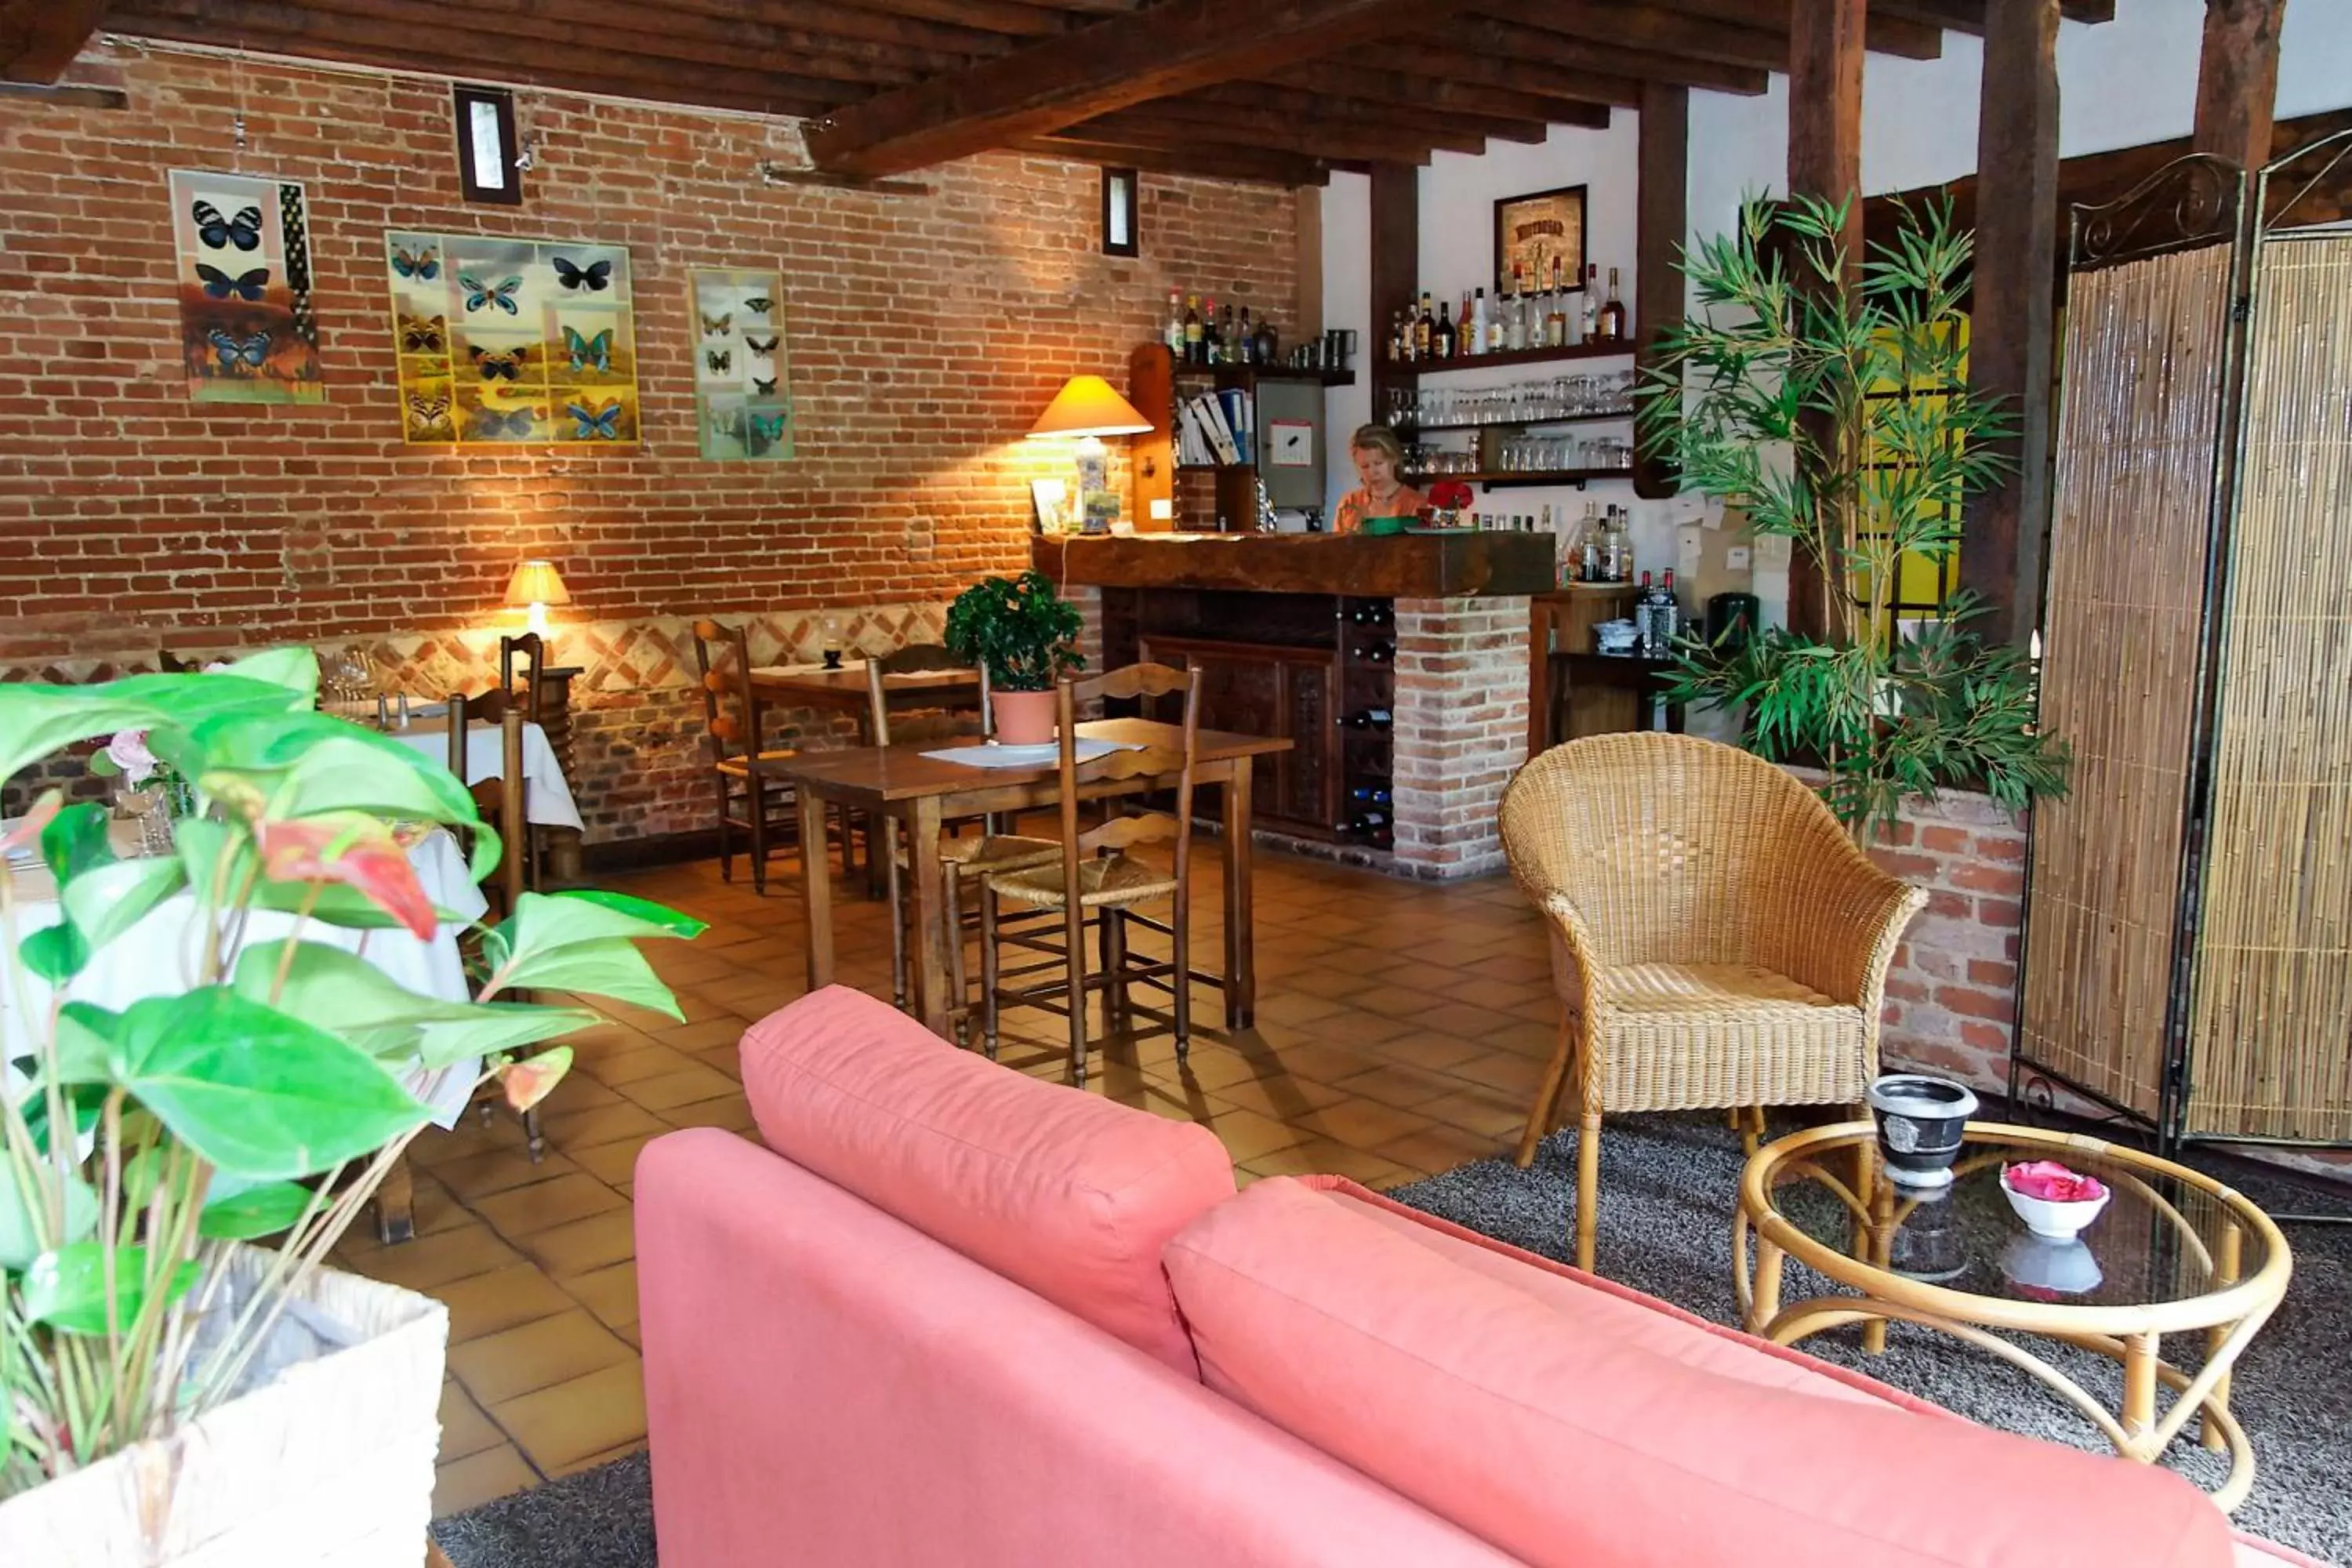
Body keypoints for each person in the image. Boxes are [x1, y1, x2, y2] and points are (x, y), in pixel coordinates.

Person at [1333, 424, 1426, 535]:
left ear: (1394, 459)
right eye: (1365, 466)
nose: (1372, 472)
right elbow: (1336, 547)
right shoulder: (1349, 503)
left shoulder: (1418, 504)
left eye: (1378, 463)